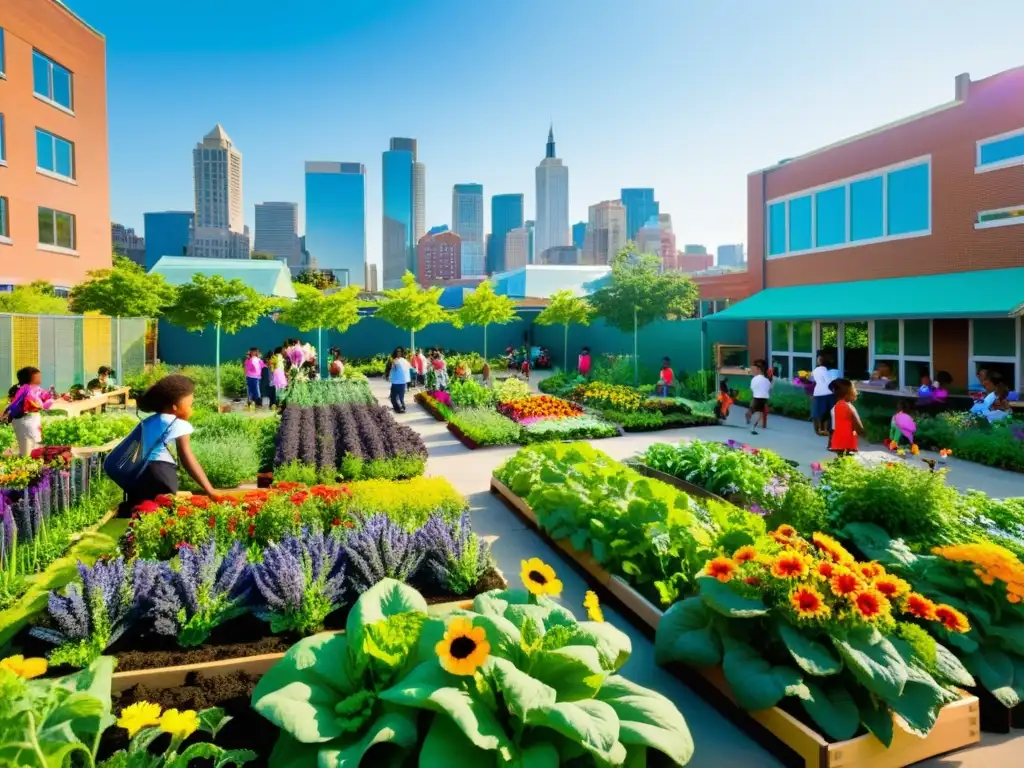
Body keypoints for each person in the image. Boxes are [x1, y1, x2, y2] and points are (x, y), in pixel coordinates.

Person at [116, 374, 216, 516]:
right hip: (161, 474)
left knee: (141, 516)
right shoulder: (178, 424)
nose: (191, 410)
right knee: (163, 517)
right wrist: (209, 489)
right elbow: (186, 457)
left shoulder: (149, 421)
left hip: (138, 474)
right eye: (189, 405)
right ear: (175, 406)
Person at [3, 367, 55, 456]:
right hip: (25, 420)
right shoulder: (24, 389)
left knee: (34, 445)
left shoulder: (34, 388)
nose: (40, 378)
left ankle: (29, 462)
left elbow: (45, 399)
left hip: (31, 420)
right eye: (37, 376)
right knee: (29, 448)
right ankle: (27, 464)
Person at [828, 378, 864, 456]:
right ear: (847, 393)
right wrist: (861, 432)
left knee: (842, 458)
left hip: (841, 440)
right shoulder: (845, 406)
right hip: (845, 441)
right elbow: (857, 424)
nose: (856, 392)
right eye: (854, 389)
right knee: (844, 459)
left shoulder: (840, 405)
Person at [810, 354, 834, 436]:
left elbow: (811, 380)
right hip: (827, 393)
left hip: (818, 393)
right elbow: (829, 382)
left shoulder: (815, 371)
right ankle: (826, 429)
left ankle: (819, 429)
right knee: (828, 412)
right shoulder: (825, 371)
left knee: (818, 412)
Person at [747, 359, 773, 435]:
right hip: (763, 398)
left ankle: (752, 425)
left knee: (756, 411)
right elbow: (769, 388)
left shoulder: (755, 379)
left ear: (758, 369)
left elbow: (752, 388)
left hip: (756, 397)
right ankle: (753, 426)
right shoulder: (766, 380)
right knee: (759, 413)